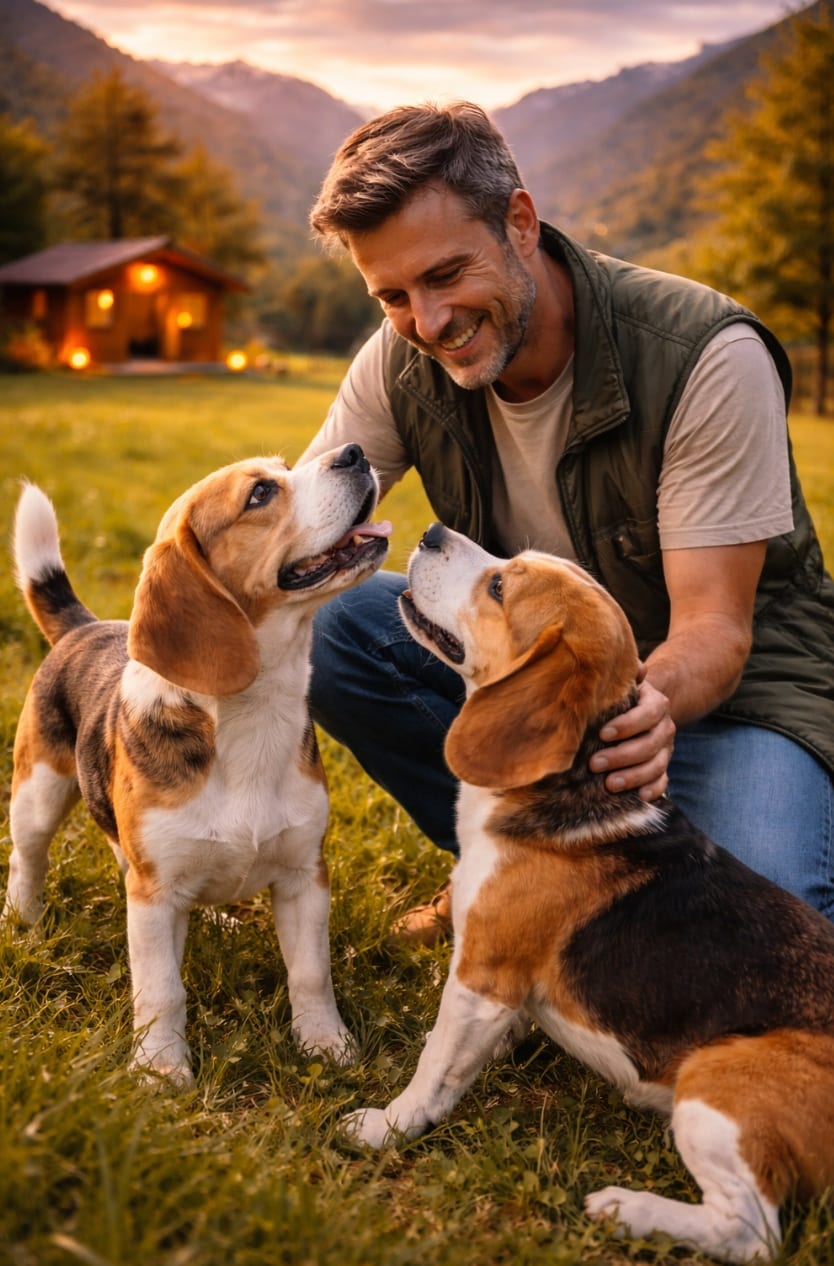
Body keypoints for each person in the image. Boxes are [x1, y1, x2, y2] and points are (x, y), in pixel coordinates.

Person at [299, 101, 834, 942]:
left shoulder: (704, 353)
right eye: (393, 296)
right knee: (337, 624)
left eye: (446, 275)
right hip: (543, 673)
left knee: (766, 933)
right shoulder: (400, 359)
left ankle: (589, 870)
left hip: (725, 695)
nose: (428, 323)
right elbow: (297, 531)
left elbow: (716, 630)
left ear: (520, 222)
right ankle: (510, 868)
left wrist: (640, 711)